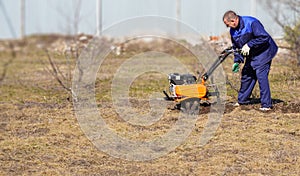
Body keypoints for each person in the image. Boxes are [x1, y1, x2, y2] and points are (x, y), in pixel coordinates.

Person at [223, 10, 278, 111]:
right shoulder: (233, 31)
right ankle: (242, 100)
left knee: (260, 74)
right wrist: (237, 60)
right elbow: (236, 47)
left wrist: (249, 44)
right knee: (247, 73)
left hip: (264, 50)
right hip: (252, 53)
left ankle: (266, 105)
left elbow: (264, 37)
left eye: (228, 24)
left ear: (234, 20)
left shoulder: (252, 22)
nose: (228, 27)